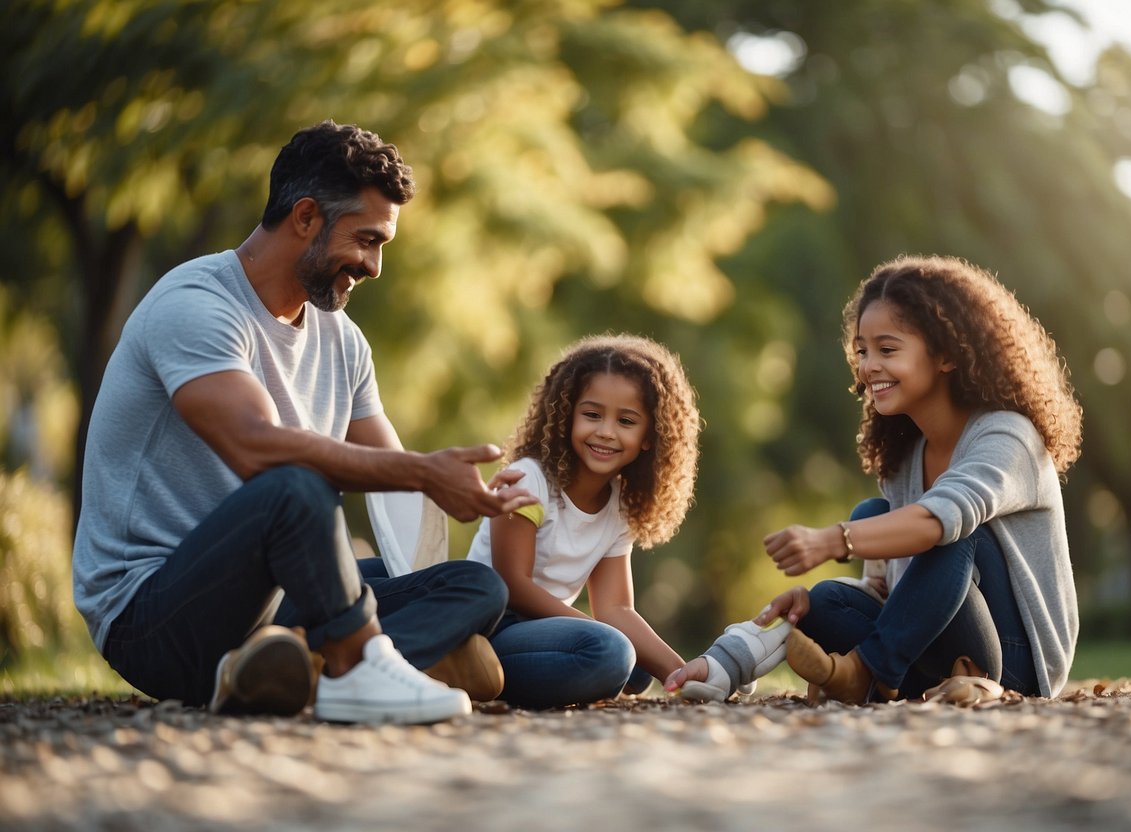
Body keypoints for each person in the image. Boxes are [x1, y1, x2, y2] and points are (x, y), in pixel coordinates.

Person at [71, 120, 536, 724]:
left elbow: (392, 473)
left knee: (474, 587)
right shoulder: (194, 307)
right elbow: (256, 449)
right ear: (307, 217)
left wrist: (461, 488)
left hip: (265, 605)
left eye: (381, 246)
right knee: (296, 482)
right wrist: (425, 472)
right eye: (366, 240)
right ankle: (363, 663)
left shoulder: (342, 342)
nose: (372, 265)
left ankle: (302, 671)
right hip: (152, 616)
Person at [667, 254, 1082, 703]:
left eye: (887, 350)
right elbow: (895, 596)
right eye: (862, 351)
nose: (868, 367)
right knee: (825, 598)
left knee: (949, 531)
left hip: (1015, 666)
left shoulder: (1007, 435)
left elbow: (940, 524)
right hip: (932, 657)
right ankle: (875, 672)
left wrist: (834, 540)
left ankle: (865, 671)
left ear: (945, 353)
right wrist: (757, 640)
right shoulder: (907, 456)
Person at [465, 334, 701, 708]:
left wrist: (683, 672)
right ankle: (467, 671)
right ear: (565, 417)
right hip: (489, 625)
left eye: (626, 421)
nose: (606, 431)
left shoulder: (619, 505)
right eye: (592, 415)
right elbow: (513, 586)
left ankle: (563, 671)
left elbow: (616, 608)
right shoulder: (529, 479)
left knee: (636, 664)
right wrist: (597, 631)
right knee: (611, 650)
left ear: (648, 437)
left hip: (543, 630)